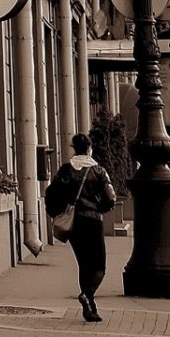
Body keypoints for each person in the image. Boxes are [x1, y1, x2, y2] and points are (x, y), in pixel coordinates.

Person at [46, 132, 118, 322]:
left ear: (75, 149)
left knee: (84, 264)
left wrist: (57, 213)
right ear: (89, 149)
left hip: (74, 223)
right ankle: (87, 295)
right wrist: (100, 208)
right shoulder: (99, 171)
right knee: (99, 265)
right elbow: (111, 198)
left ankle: (90, 307)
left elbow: (51, 193)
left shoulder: (66, 170)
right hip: (93, 221)